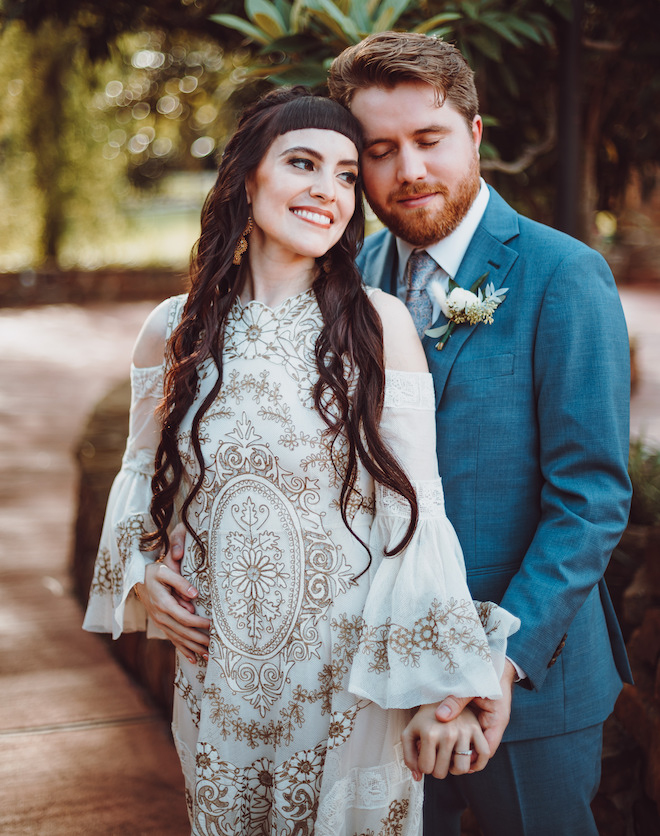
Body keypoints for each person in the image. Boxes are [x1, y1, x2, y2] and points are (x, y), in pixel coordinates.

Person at [83, 87, 519, 835]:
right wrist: (140, 570)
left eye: (348, 175)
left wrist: (433, 685)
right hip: (220, 682)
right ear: (246, 178)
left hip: (347, 691)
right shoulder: (172, 329)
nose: (329, 190)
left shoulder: (378, 327)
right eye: (303, 164)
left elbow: (415, 515)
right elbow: (139, 474)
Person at [325, 31, 633, 836]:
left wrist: (489, 667)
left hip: (526, 683)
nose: (410, 171)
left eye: (429, 140)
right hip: (382, 679)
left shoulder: (562, 275)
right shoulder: (351, 281)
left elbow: (590, 501)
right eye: (381, 151)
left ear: (474, 133)